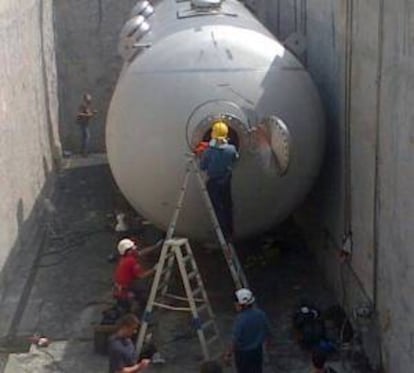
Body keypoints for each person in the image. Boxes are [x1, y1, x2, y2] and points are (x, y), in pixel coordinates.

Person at [200, 121, 239, 240]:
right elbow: (235, 158)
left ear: (213, 134)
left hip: (214, 182)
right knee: (227, 206)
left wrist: (202, 154)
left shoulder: (209, 152)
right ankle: (230, 232)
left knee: (217, 208)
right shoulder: (231, 149)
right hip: (226, 179)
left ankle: (222, 233)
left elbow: (203, 166)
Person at [224, 288, 272, 373]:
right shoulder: (261, 314)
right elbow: (268, 333)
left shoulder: (240, 320)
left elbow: (235, 340)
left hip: (243, 356)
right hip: (257, 352)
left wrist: (228, 355)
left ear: (242, 305)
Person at [113, 238, 160, 313]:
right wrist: (154, 269)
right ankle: (142, 316)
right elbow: (141, 276)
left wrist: (155, 246)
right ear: (128, 251)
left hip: (121, 288)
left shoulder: (125, 258)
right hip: (125, 290)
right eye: (133, 248)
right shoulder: (131, 261)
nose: (135, 249)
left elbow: (141, 253)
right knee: (142, 297)